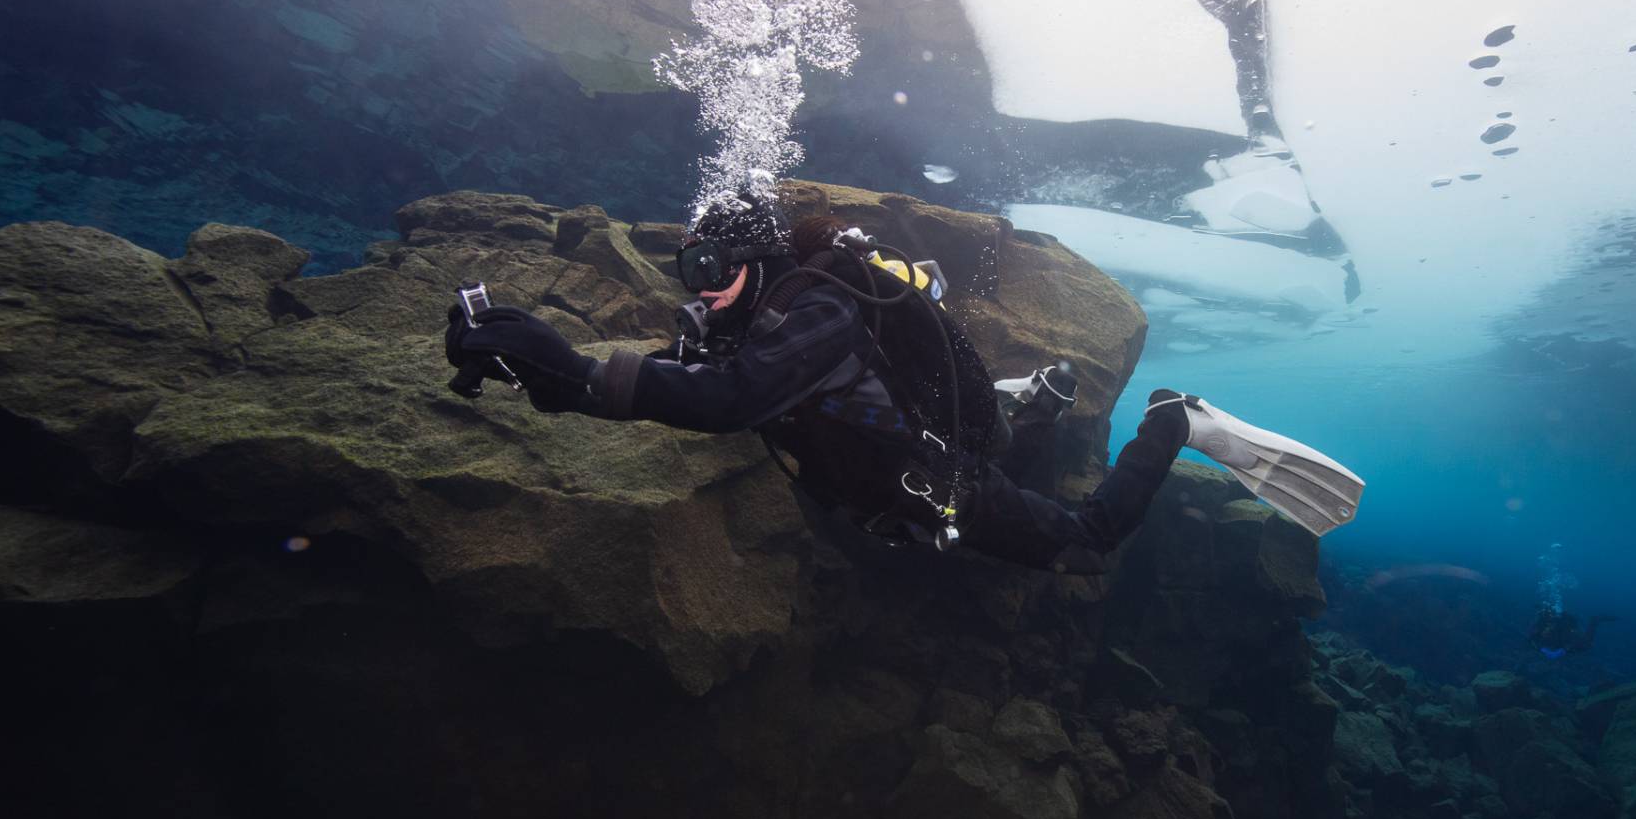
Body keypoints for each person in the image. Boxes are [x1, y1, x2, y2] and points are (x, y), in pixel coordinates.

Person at [442, 187, 1365, 573]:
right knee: (1005, 451)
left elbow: (726, 405)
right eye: (690, 268)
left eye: (715, 266)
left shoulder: (817, 311)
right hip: (902, 465)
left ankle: (1177, 420)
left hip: (930, 474)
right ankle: (1026, 403)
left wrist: (575, 370)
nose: (702, 290)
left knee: (1085, 542)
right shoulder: (757, 322)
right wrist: (546, 375)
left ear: (759, 258)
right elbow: (679, 384)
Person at [1528, 607, 1615, 659]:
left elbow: (1570, 643)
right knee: (1584, 646)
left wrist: (1562, 651)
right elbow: (1531, 641)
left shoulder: (1560, 630)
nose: (1545, 632)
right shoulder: (1538, 628)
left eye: (1548, 629)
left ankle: (1595, 620)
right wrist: (1541, 649)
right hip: (1561, 641)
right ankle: (1594, 620)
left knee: (1587, 644)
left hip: (1570, 637)